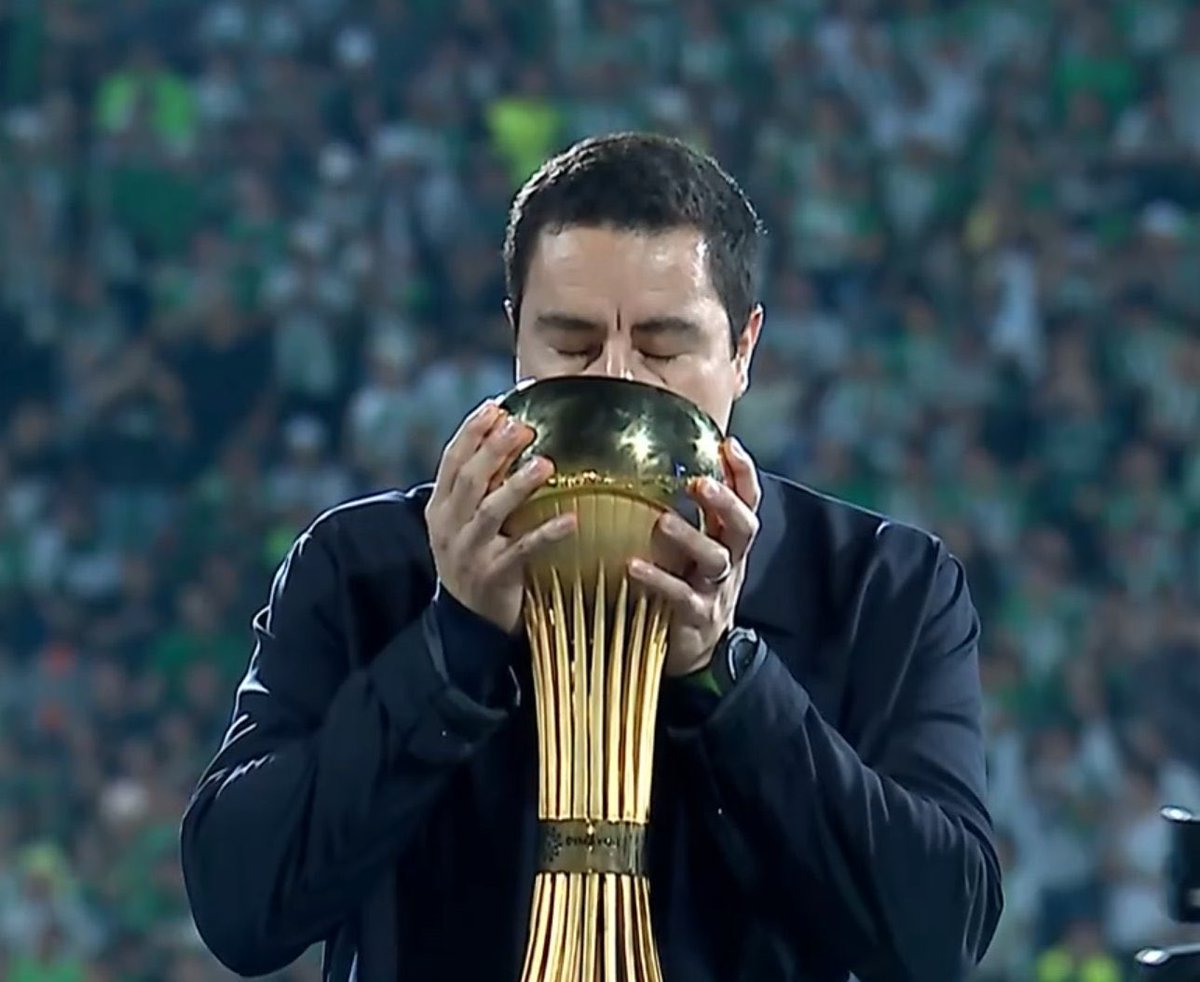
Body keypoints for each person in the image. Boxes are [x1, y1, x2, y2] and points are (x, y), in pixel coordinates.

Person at [180, 132, 1002, 981]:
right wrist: (449, 647)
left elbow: (937, 934)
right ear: (515, 340)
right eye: (570, 345)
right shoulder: (363, 569)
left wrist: (727, 678)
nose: (614, 382)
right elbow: (242, 909)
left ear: (744, 351)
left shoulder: (882, 587)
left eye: (662, 347)